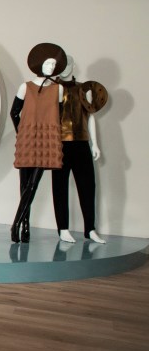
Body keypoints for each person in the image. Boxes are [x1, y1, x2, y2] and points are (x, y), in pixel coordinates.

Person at [9, 42, 66, 243]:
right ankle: (26, 225)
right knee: (24, 185)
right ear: (39, 64)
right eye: (47, 63)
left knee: (33, 184)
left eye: (53, 65)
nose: (50, 67)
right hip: (28, 138)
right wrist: (22, 132)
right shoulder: (26, 86)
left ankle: (15, 223)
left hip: (47, 138)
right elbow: (14, 112)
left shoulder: (58, 89)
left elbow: (60, 116)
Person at [52, 58, 108, 243]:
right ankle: (62, 228)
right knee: (59, 187)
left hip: (82, 142)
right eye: (62, 63)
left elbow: (90, 116)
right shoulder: (52, 89)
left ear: (74, 66)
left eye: (68, 63)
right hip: (59, 144)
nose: (64, 67)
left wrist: (95, 143)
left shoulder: (83, 89)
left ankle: (90, 229)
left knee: (88, 186)